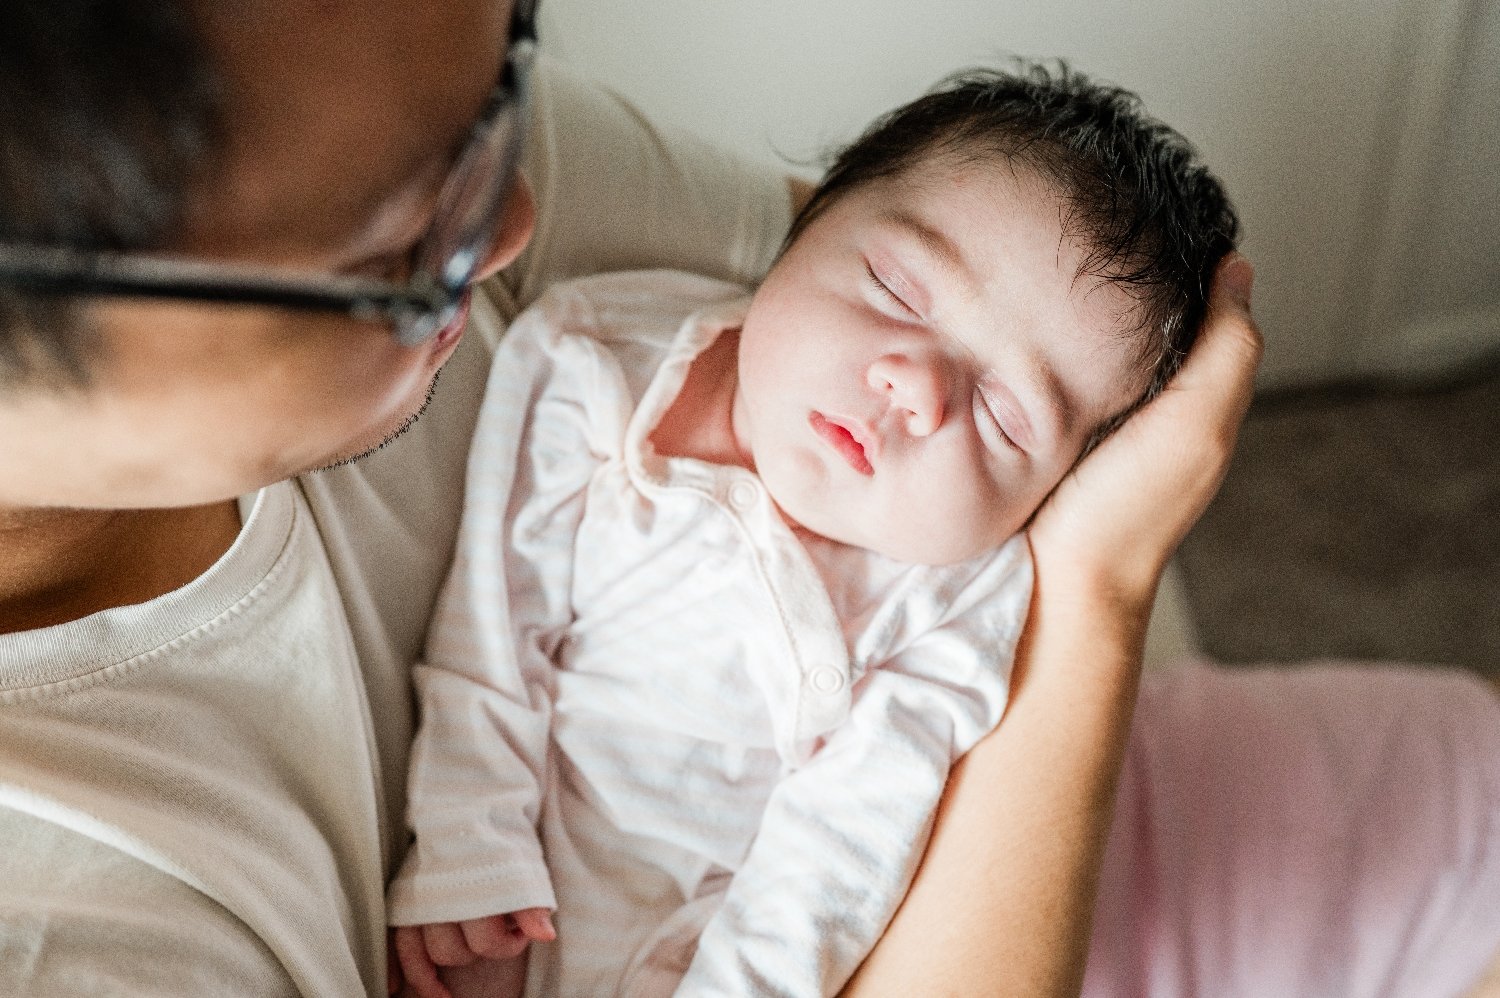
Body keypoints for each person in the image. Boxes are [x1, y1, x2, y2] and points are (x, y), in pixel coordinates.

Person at [0, 1, 1492, 996]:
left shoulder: (388, 97)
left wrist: (1088, 583)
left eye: (509, 81)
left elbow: (949, 249)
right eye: (410, 240)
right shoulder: (89, 916)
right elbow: (495, 637)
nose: (521, 215)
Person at [387, 65, 1238, 998]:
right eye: (896, 289)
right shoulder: (592, 364)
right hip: (519, 892)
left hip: (730, 949)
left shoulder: (962, 593)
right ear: (805, 220)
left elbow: (838, 857)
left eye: (1004, 414)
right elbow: (495, 629)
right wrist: (471, 840)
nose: (914, 386)